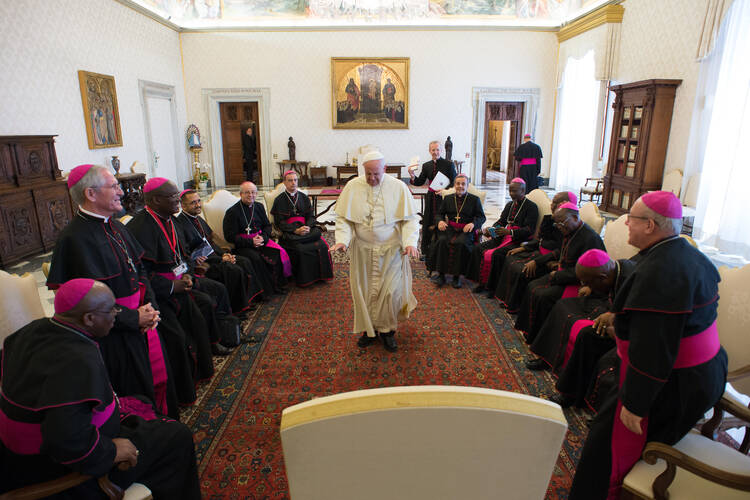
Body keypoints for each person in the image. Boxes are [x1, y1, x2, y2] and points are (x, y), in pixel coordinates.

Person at [569, 191, 727, 499]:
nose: (626, 223)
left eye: (633, 218)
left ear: (651, 226)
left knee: (604, 444)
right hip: (700, 372)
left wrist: (636, 404)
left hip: (675, 383)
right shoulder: (682, 253)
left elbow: (654, 348)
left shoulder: (660, 273)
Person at [0, 279, 201, 499]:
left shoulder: (34, 329)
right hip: (58, 469)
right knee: (177, 437)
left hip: (41, 445)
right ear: (89, 318)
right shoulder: (77, 361)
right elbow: (65, 442)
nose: (117, 313)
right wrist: (113, 451)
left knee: (142, 401)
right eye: (112, 309)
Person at [47, 164, 178, 419]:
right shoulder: (73, 240)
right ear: (91, 194)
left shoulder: (118, 227)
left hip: (143, 321)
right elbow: (82, 307)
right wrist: (132, 318)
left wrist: (150, 307)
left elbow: (140, 270)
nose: (121, 192)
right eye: (114, 186)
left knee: (159, 379)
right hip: (112, 337)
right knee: (135, 393)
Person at [128, 178, 233, 387]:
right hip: (158, 296)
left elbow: (182, 255)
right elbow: (141, 273)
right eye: (173, 196)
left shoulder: (170, 219)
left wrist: (188, 275)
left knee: (202, 308)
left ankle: (207, 357)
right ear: (156, 200)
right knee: (178, 336)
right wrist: (170, 286)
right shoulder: (140, 227)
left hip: (181, 283)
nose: (178, 200)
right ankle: (185, 381)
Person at [331, 150, 420, 353]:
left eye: (376, 174)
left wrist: (410, 242)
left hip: (391, 252)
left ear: (385, 169)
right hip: (363, 251)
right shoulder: (353, 186)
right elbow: (344, 218)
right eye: (368, 173)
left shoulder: (398, 187)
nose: (371, 178)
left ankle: (387, 331)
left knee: (390, 293)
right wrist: (342, 240)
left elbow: (409, 219)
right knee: (364, 293)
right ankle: (368, 331)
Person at [525, 249, 636, 407]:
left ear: (602, 278)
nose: (584, 285)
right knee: (562, 305)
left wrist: (615, 322)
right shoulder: (614, 270)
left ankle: (571, 394)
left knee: (587, 335)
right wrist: (593, 289)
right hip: (607, 304)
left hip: (629, 330)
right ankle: (547, 359)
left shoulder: (632, 278)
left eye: (587, 282)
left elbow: (638, 318)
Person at [514, 202, 605, 344]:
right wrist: (541, 262)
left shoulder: (590, 238)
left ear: (575, 218)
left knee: (544, 296)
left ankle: (542, 340)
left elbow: (592, 271)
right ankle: (530, 332)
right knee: (532, 286)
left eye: (561, 224)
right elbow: (561, 252)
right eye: (557, 224)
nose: (559, 228)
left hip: (579, 282)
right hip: (563, 274)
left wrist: (557, 275)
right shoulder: (570, 231)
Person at [176, 189, 265, 311]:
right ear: (183, 205)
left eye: (198, 201)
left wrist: (225, 253)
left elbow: (211, 241)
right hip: (204, 262)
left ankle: (250, 298)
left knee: (244, 261)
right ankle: (238, 307)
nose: (198, 205)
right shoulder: (180, 223)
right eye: (193, 203)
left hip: (215, 255)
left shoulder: (198, 218)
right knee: (234, 270)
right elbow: (186, 251)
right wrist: (221, 258)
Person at [493, 191, 573, 309]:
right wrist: (523, 247)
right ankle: (508, 299)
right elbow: (540, 240)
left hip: (548, 258)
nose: (551, 205)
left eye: (555, 203)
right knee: (510, 258)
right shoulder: (549, 219)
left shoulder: (567, 225)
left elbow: (559, 250)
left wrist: (536, 261)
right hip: (538, 251)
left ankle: (515, 305)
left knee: (521, 270)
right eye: (552, 202)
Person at [468, 178, 538, 293]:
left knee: (497, 254)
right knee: (478, 248)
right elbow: (501, 221)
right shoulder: (510, 204)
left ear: (523, 190)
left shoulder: (531, 207)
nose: (511, 194)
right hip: (504, 237)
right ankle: (480, 281)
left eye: (514, 191)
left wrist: (510, 232)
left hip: (518, 241)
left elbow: (529, 230)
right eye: (510, 191)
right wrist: (493, 228)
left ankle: (492, 287)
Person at [223, 181, 291, 294]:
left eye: (253, 192)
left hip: (261, 240)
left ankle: (278, 285)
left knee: (277, 253)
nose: (251, 195)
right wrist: (251, 241)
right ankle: (266, 291)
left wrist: (263, 238)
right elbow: (229, 236)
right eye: (247, 193)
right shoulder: (232, 212)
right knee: (257, 259)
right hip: (243, 245)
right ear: (240, 194)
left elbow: (267, 226)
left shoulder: (259, 206)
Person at [270, 170, 334, 286]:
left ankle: (321, 276)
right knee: (301, 249)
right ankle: (305, 279)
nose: (293, 183)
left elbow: (311, 216)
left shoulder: (304, 197)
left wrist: (308, 227)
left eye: (295, 180)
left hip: (305, 229)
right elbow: (279, 222)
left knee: (322, 244)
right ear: (284, 182)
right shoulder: (279, 200)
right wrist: (295, 230)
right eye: (290, 180)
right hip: (291, 231)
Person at [430, 173, 486, 288]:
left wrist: (473, 224)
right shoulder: (448, 198)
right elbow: (439, 214)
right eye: (458, 183)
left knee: (461, 244)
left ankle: (457, 276)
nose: (460, 186)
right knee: (442, 241)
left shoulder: (474, 200)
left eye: (463, 184)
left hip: (465, 230)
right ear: (454, 185)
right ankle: (441, 275)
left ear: (467, 185)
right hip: (449, 228)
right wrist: (440, 221)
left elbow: (482, 217)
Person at [409, 141, 457, 263]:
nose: (435, 152)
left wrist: (445, 190)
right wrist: (412, 175)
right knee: (427, 222)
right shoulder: (426, 166)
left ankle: (442, 250)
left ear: (441, 151)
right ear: (429, 151)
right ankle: (426, 251)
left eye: (437, 150)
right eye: (433, 150)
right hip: (431, 197)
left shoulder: (448, 165)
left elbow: (454, 181)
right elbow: (420, 182)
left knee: (442, 222)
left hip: (445, 198)